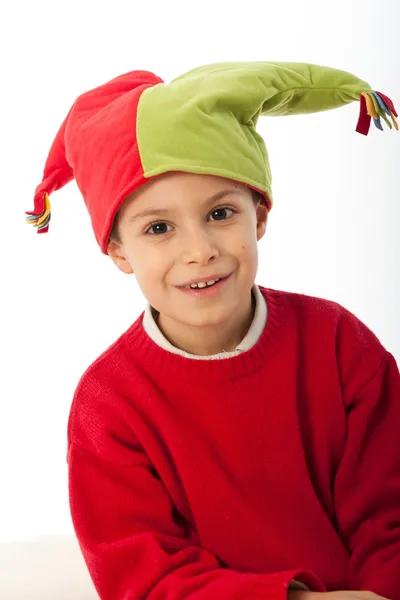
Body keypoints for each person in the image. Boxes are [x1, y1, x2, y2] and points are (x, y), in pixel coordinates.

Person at [26, 61, 400, 600]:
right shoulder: (107, 406)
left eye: (221, 213)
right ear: (117, 250)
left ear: (260, 215)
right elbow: (146, 578)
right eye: (159, 227)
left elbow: (391, 512)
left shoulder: (340, 345)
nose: (199, 250)